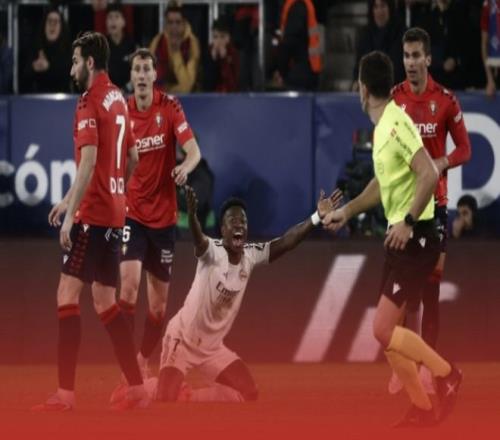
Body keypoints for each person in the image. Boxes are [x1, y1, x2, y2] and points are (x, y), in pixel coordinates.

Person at [322, 51, 462, 426]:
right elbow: (382, 185)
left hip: (417, 236)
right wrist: (347, 211)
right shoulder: (384, 125)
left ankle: (447, 374)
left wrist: (408, 222)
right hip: (400, 238)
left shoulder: (395, 123)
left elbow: (429, 173)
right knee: (388, 335)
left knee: (382, 328)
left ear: (362, 89)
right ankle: (422, 407)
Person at [116, 185, 341, 403]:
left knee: (249, 393)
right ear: (223, 230)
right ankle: (140, 387)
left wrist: (316, 218)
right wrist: (193, 216)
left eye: (243, 221)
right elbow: (199, 240)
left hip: (212, 348)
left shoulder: (251, 255)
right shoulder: (212, 252)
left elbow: (286, 242)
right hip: (182, 340)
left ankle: (191, 396)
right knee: (165, 399)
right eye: (232, 221)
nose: (239, 225)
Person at [33, 32, 149, 411]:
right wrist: (84, 196)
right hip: (114, 215)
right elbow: (132, 158)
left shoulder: (89, 101)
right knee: (105, 301)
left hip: (93, 216)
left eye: (74, 61)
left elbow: (88, 161)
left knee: (66, 296)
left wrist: (71, 216)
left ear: (89, 63)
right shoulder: (119, 99)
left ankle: (65, 395)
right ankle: (137, 387)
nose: (71, 69)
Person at [390, 27, 471, 393]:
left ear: (428, 58)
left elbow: (465, 149)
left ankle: (428, 368)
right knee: (401, 293)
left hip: (435, 208)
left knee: (430, 292)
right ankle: (403, 364)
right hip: (403, 209)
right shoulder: (396, 99)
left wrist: (441, 163)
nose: (410, 63)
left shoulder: (446, 101)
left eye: (416, 56)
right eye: (406, 56)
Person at [118, 48, 201, 378]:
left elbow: (194, 152)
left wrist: (184, 167)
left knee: (158, 306)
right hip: (132, 212)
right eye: (136, 69)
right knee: (127, 288)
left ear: (154, 75)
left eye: (146, 70)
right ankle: (128, 367)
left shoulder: (169, 107)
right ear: (131, 77)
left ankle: (142, 358)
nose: (141, 75)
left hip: (164, 218)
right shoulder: (122, 112)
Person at [352, 0, 406, 91]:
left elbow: (397, 67)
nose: (379, 11)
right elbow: (359, 65)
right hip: (369, 90)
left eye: (383, 6)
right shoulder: (365, 34)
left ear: (390, 8)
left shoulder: (401, 33)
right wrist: (356, 81)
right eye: (376, 7)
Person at [149, 1, 200, 93]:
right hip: (161, 94)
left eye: (178, 22)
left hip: (190, 97)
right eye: (170, 22)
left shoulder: (192, 43)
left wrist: (176, 53)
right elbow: (152, 79)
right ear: (165, 24)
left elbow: (186, 87)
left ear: (184, 23)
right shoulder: (158, 42)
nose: (174, 27)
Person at [272, 0, 322, 91]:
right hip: (307, 69)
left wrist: (281, 71)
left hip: (299, 73)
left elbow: (289, 42)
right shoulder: (302, 4)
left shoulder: (297, 5)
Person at [24, 7, 72, 93]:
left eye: (56, 21)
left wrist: (48, 68)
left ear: (61, 27)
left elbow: (67, 76)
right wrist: (33, 68)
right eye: (49, 21)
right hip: (37, 98)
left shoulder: (69, 50)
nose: (52, 25)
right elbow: (24, 79)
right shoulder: (36, 48)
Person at [204, 17, 240, 93]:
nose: (218, 41)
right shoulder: (209, 51)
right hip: (212, 97)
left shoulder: (234, 53)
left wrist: (224, 60)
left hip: (230, 97)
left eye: (222, 36)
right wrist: (213, 61)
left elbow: (233, 86)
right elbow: (207, 86)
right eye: (215, 37)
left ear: (229, 37)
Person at [105, 4, 136, 90]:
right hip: (107, 93)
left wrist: (125, 90)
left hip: (128, 93)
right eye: (110, 17)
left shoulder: (132, 46)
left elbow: (137, 73)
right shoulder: (101, 46)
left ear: (124, 22)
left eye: (117, 17)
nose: (113, 21)